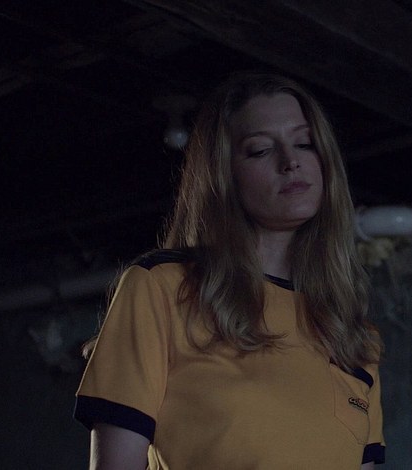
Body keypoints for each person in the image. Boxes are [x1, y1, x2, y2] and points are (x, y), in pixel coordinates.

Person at [74, 72, 385, 469]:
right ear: (224, 175)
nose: (291, 161)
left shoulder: (354, 335)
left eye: (305, 143)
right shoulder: (163, 288)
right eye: (260, 150)